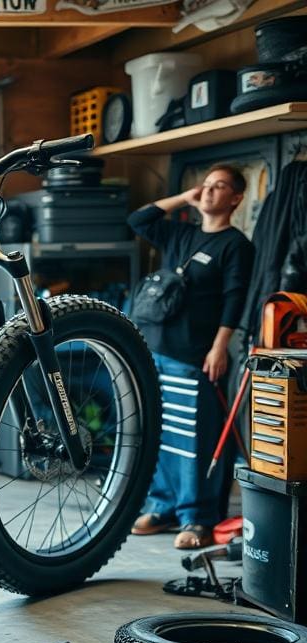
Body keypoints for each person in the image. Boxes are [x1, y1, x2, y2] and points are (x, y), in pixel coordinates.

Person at [128, 165, 254, 550]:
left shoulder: (236, 246)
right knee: (161, 435)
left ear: (235, 199)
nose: (210, 192)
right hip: (154, 349)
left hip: (195, 355)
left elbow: (236, 299)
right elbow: (139, 219)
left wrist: (220, 347)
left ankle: (196, 517)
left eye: (220, 187)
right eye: (208, 185)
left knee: (193, 438)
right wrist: (184, 197)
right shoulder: (181, 233)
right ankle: (162, 507)